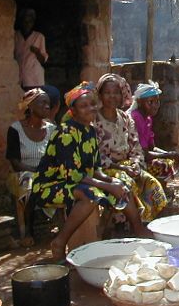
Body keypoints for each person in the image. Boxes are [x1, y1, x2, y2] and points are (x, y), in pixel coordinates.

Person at [31, 82, 152, 262]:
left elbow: (96, 169)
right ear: (73, 110)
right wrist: (106, 186)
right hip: (50, 186)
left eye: (92, 104)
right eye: (84, 106)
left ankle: (138, 230)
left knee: (122, 185)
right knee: (89, 195)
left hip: (78, 182)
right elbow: (72, 175)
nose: (91, 108)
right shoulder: (65, 133)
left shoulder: (90, 131)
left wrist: (112, 183)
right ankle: (60, 241)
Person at [94, 74, 167, 223]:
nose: (112, 96)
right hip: (106, 168)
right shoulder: (94, 120)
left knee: (153, 184)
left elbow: (136, 146)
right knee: (126, 183)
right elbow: (96, 155)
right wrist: (121, 169)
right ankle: (133, 225)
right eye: (107, 93)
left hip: (128, 165)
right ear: (100, 95)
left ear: (122, 95)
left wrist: (135, 163)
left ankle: (148, 222)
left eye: (116, 93)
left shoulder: (126, 118)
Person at [6, 89, 56, 245]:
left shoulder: (52, 129)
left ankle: (62, 226)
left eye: (48, 103)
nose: (47, 106)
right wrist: (35, 171)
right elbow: (14, 161)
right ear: (30, 106)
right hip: (23, 173)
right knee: (29, 185)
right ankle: (28, 230)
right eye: (43, 103)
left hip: (47, 172)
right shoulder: (16, 129)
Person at [128, 81, 179, 191]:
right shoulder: (136, 118)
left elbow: (152, 147)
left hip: (141, 156)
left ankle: (160, 191)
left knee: (168, 161)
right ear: (140, 102)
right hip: (133, 159)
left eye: (157, 101)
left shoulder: (147, 119)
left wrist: (173, 154)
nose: (155, 105)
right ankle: (155, 192)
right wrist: (171, 154)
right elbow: (145, 154)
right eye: (150, 102)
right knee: (162, 164)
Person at [14, 8, 48, 90]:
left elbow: (43, 60)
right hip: (18, 78)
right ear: (21, 22)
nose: (27, 24)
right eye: (25, 22)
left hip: (34, 79)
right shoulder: (15, 36)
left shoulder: (39, 37)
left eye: (30, 22)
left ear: (33, 23)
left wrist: (37, 52)